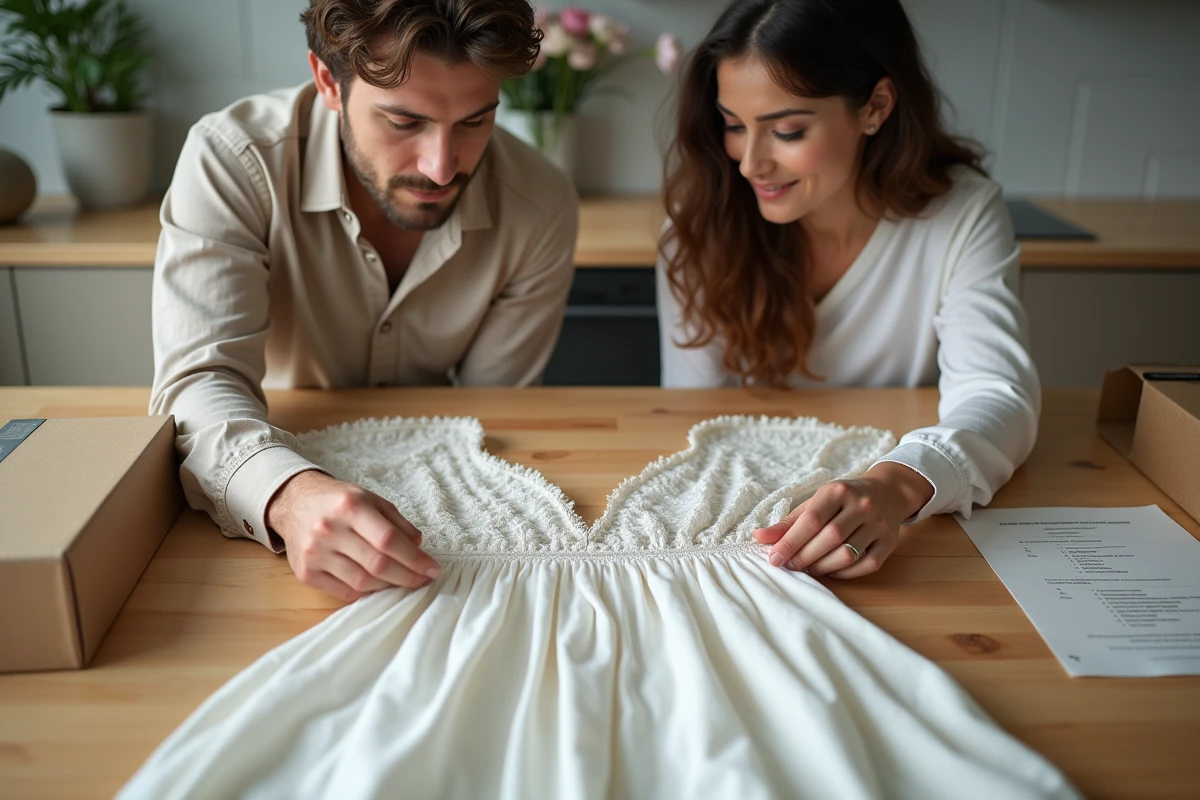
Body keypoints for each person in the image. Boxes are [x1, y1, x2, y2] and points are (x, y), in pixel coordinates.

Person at [150, 0, 579, 602]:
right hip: (259, 490)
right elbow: (200, 379)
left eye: (476, 121)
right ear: (328, 82)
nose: (440, 167)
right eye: (404, 123)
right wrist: (288, 495)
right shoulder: (232, 160)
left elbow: (493, 410)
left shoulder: (540, 202)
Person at [658, 0, 1040, 580]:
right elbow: (691, 416)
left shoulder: (962, 215)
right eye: (734, 125)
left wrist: (894, 484)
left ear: (875, 108)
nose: (750, 164)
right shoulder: (699, 219)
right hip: (752, 536)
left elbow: (997, 394)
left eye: (787, 130)